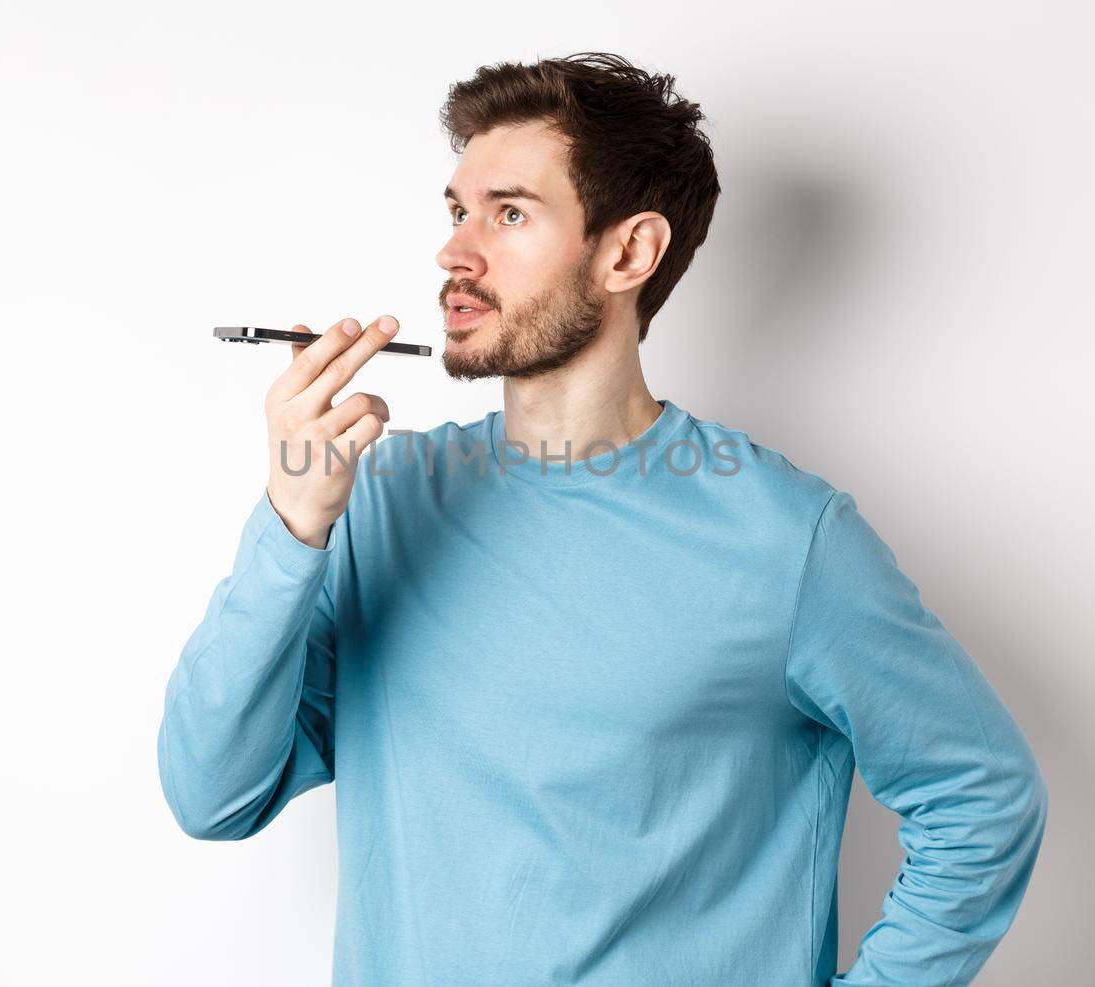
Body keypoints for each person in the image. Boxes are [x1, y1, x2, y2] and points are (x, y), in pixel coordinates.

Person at [157, 52, 1047, 986]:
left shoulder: (784, 537)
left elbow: (980, 797)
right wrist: (291, 527)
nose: (455, 252)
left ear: (628, 252)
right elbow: (213, 794)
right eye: (458, 211)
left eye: (509, 214)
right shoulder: (380, 502)